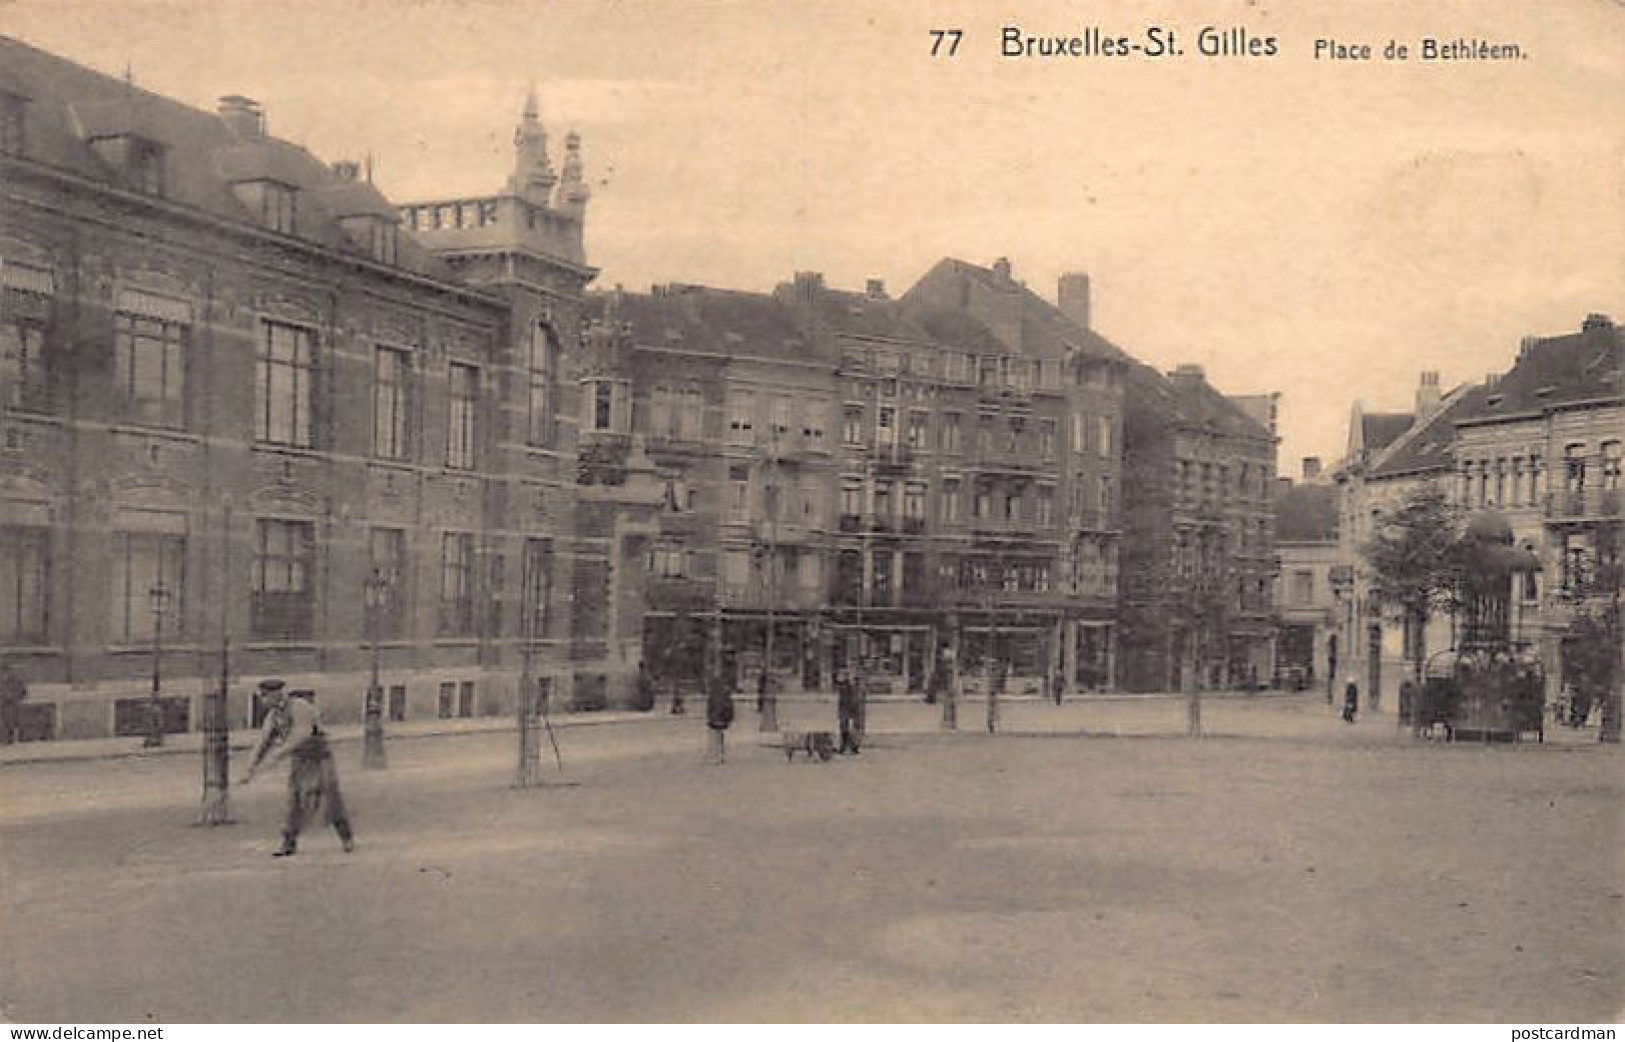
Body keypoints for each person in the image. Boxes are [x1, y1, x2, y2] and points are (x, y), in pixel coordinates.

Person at [239, 680, 354, 857]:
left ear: (277, 693)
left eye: (265, 696)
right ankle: (289, 842)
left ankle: (346, 837)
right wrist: (249, 769)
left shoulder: (300, 707)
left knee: (330, 797)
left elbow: (300, 735)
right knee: (294, 799)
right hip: (300, 760)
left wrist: (276, 756)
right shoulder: (273, 716)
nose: (263, 700)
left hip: (320, 757)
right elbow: (262, 743)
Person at [704, 671, 734, 764]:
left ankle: (714, 756)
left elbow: (713, 707)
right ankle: (720, 755)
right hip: (722, 719)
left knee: (714, 738)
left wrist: (711, 717)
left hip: (716, 719)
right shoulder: (725, 694)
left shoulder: (714, 695)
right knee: (720, 738)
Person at [837, 667, 864, 755]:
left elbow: (857, 698)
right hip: (847, 708)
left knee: (854, 727)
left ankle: (853, 746)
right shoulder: (844, 687)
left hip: (854, 707)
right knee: (845, 727)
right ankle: (846, 746)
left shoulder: (855, 687)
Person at [0, 658, 26, 745]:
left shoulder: (17, 680)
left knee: (12, 722)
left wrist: (13, 697)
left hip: (12, 705)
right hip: (4, 705)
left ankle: (12, 739)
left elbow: (23, 692)